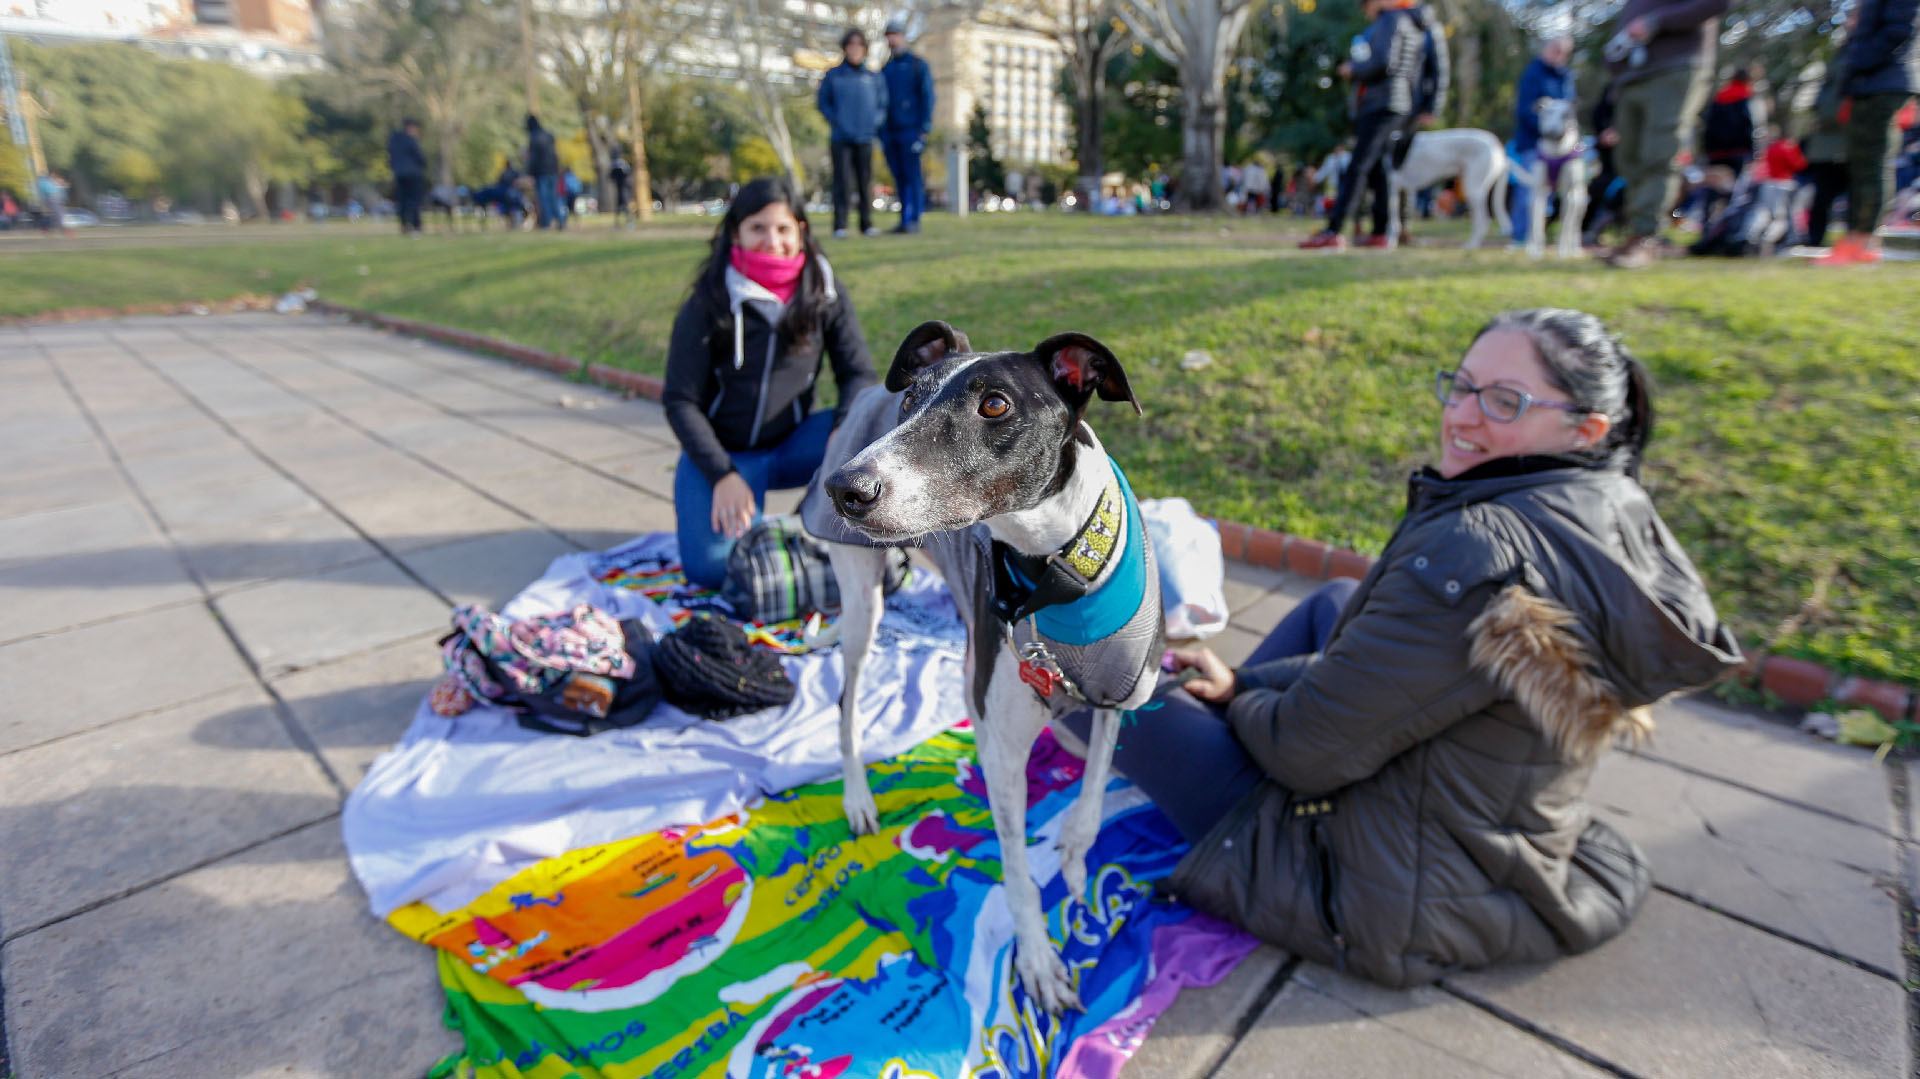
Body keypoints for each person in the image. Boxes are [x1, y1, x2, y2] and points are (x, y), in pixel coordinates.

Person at [1060, 308, 1740, 989]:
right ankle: (1209, 716)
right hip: (1475, 816)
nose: (1464, 418)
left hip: (1376, 885)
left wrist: (1243, 694)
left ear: (1584, 428)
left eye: (1506, 401)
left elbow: (1302, 753)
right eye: (1464, 386)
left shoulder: (1479, 549)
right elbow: (1417, 672)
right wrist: (1249, 688)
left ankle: (1144, 725)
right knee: (1335, 602)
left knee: (1087, 677)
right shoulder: (1605, 496)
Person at [663, 177, 878, 588]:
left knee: (876, 421)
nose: (772, 240)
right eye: (757, 228)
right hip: (725, 456)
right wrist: (722, 476)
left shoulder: (823, 292)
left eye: (783, 228)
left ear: (801, 230)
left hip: (794, 445)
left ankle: (817, 520)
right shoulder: (708, 300)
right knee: (713, 573)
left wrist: (841, 432)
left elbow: (858, 373)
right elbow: (679, 401)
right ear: (736, 233)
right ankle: (756, 514)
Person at [1597, 0, 1732, 268]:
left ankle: (1644, 237)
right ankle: (1633, 231)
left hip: (1675, 67)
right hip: (1631, 74)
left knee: (1659, 151)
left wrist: (1656, 22)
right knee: (1629, 157)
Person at [1300, 0, 1443, 250]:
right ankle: (1381, 231)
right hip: (1399, 103)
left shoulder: (1391, 19)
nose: (1366, 9)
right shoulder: (1411, 22)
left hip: (1381, 103)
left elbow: (1382, 63)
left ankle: (1334, 230)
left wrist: (1353, 69)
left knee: (1358, 166)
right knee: (1379, 170)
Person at [1817, 0, 1917, 265]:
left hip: (1881, 85)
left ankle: (1863, 241)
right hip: (1869, 85)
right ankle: (1858, 238)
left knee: (1872, 165)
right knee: (1862, 166)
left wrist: (1859, 61)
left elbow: (1898, 31)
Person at [817, 28, 888, 239]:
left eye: (859, 45)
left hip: (865, 138)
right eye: (851, 45)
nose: (855, 50)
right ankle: (840, 225)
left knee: (865, 181)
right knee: (841, 181)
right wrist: (836, 121)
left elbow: (882, 106)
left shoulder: (874, 78)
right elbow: (823, 103)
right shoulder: (833, 76)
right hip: (841, 138)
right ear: (845, 48)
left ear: (865, 50)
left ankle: (866, 224)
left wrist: (873, 125)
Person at [1510, 37, 1576, 246]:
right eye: (1556, 50)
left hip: (1562, 148)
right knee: (1529, 193)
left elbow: (1569, 114)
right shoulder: (1533, 74)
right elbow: (1525, 112)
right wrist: (1547, 131)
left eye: (1565, 52)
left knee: (1554, 196)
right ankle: (1521, 237)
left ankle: (1545, 237)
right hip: (1534, 143)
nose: (1560, 55)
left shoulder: (1566, 76)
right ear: (1545, 49)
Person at [879, 18, 935, 234]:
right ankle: (904, 219)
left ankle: (914, 219)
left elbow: (928, 98)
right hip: (890, 132)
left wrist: (924, 130)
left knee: (912, 176)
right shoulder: (886, 69)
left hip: (911, 131)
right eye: (888, 36)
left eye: (894, 34)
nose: (891, 39)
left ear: (902, 37)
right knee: (899, 177)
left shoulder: (917, 66)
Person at [1700, 64, 1764, 174]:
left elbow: (1709, 123)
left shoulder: (1720, 96)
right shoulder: (1747, 98)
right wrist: (1754, 151)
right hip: (1739, 152)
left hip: (1715, 151)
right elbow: (1750, 125)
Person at [387, 118, 428, 235]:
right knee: (414, 200)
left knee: (402, 200)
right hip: (413, 174)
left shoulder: (394, 140)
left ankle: (404, 225)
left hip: (399, 174)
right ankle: (416, 226)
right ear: (410, 127)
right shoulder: (410, 140)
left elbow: (391, 157)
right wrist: (423, 164)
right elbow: (419, 157)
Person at [526, 114, 564, 230]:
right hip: (553, 170)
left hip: (542, 172)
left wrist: (530, 173)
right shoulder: (549, 135)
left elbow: (533, 159)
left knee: (544, 199)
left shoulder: (534, 138)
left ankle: (546, 223)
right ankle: (561, 220)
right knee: (554, 197)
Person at [609, 152, 634, 225]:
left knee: (625, 205)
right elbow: (610, 176)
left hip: (624, 188)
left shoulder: (623, 164)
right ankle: (617, 223)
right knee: (618, 207)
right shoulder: (614, 164)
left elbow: (627, 174)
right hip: (618, 188)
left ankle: (629, 222)